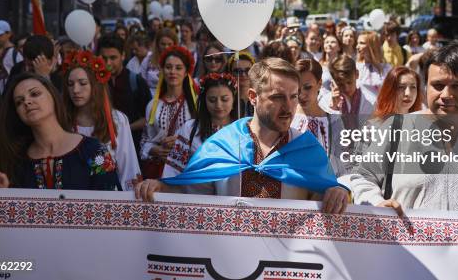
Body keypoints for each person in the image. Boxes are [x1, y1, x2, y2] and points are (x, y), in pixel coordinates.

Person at [134, 58, 350, 214]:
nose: (288, 107)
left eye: (293, 97)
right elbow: (193, 194)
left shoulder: (306, 149)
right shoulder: (222, 144)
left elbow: (323, 195)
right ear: (253, 97)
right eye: (277, 97)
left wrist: (338, 191)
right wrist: (161, 188)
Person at [340, 43, 458, 222]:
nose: (445, 95)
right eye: (437, 85)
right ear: (426, 87)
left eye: (457, 86)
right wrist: (377, 203)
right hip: (406, 252)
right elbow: (363, 177)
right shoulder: (396, 129)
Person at [0, 73, 118, 192]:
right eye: (19, 102)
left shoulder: (94, 151)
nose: (27, 102)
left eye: (35, 94)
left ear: (53, 96)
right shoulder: (17, 161)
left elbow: (112, 205)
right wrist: (1, 193)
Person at [62, 49, 141, 190]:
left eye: (82, 83)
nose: (75, 90)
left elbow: (128, 166)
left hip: (106, 199)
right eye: (70, 84)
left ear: (95, 85)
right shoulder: (63, 120)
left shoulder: (117, 119)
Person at [162, 72, 238, 178]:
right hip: (196, 193)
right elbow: (173, 170)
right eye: (212, 100)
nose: (218, 105)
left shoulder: (242, 129)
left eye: (224, 99)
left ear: (233, 100)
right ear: (204, 101)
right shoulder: (190, 129)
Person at [140, 46, 198, 179]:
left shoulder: (196, 104)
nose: (173, 71)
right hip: (158, 172)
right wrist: (156, 150)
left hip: (186, 172)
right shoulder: (153, 105)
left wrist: (180, 142)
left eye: (178, 68)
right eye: (168, 67)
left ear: (186, 72)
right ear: (162, 70)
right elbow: (145, 141)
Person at [98, 35, 152, 154]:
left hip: (132, 147)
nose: (108, 63)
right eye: (104, 58)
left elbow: (148, 118)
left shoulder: (136, 82)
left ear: (122, 55)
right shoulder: (94, 83)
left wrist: (124, 129)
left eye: (113, 58)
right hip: (101, 147)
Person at [320, 55, 377, 128]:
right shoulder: (325, 101)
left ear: (357, 74)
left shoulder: (371, 100)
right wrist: (333, 109)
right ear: (333, 81)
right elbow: (325, 132)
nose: (346, 89)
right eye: (341, 84)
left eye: (349, 82)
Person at [140, 28, 178, 95]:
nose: (166, 47)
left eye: (169, 44)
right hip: (150, 99)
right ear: (157, 44)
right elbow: (141, 83)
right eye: (163, 44)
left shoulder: (179, 61)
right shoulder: (148, 60)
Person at [356, 32, 391, 97]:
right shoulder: (356, 67)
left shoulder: (387, 68)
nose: (357, 46)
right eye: (357, 43)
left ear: (372, 45)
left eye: (362, 43)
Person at [228, 51, 256, 118]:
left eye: (248, 70)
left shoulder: (261, 97)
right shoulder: (226, 99)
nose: (243, 75)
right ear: (230, 73)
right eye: (237, 71)